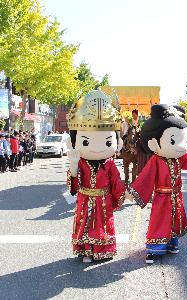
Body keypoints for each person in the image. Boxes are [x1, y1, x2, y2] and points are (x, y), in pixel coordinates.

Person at [128, 104, 187, 264]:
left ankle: (171, 243)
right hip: (162, 197)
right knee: (159, 221)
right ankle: (154, 249)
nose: (181, 146)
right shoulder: (157, 160)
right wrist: (134, 192)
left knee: (175, 220)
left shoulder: (178, 158)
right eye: (173, 140)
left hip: (176, 196)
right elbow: (146, 177)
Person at [66, 90, 126, 263]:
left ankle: (103, 249)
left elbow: (116, 182)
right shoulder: (81, 162)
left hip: (103, 200)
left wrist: (125, 193)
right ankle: (85, 250)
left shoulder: (109, 163)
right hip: (85, 199)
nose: (98, 148)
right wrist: (73, 166)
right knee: (85, 223)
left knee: (102, 224)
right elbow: (73, 185)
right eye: (85, 141)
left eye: (108, 142)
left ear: (117, 142)